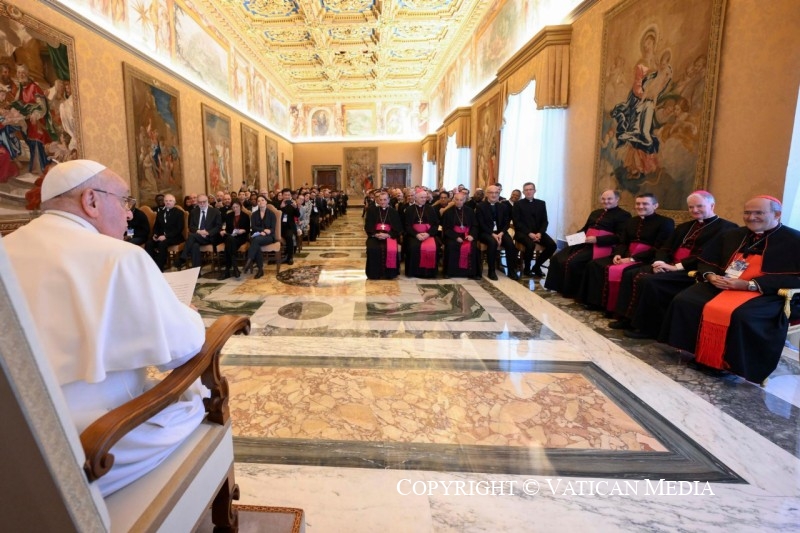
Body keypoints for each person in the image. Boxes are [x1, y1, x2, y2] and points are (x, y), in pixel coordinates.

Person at [4, 159, 206, 496]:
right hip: (90, 440)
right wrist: (187, 312)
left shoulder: (6, 247)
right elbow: (182, 350)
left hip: (14, 443)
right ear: (91, 201)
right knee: (198, 398)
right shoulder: (120, 256)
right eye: (125, 201)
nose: (130, 214)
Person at [660, 196, 800, 383]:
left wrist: (750, 284)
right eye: (747, 212)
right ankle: (698, 353)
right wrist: (710, 276)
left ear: (777, 214)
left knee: (743, 316)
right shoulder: (733, 235)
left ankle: (730, 364)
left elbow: (795, 277)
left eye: (759, 212)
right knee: (685, 300)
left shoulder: (794, 240)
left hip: (765, 292)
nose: (751, 217)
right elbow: (707, 262)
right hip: (724, 285)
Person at [609, 191, 737, 338]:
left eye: (699, 206)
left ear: (712, 205)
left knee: (649, 281)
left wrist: (675, 267)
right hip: (669, 265)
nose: (694, 210)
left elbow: (706, 257)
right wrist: (660, 262)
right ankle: (627, 317)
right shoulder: (685, 227)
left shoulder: (727, 228)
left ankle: (648, 328)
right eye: (691, 207)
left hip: (691, 270)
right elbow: (666, 247)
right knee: (630, 273)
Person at [578, 193, 674, 311]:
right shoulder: (632, 221)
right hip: (626, 254)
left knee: (625, 272)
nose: (640, 206)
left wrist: (632, 259)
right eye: (638, 204)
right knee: (594, 264)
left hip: (646, 258)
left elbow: (659, 248)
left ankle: (614, 309)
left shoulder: (665, 222)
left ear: (655, 206)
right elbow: (623, 242)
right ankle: (596, 303)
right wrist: (618, 254)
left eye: (645, 204)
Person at [544, 190, 631, 296]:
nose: (605, 201)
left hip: (603, 246)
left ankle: (571, 292)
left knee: (573, 262)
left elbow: (620, 237)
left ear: (617, 199)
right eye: (603, 199)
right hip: (585, 242)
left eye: (609, 199)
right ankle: (558, 287)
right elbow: (585, 229)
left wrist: (597, 240)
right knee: (556, 258)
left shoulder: (624, 215)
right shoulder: (595, 212)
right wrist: (575, 238)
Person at [512, 182, 557, 277]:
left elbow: (545, 221)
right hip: (522, 233)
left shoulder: (541, 203)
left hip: (538, 232)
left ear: (535, 191)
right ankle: (527, 268)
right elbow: (517, 222)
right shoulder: (518, 204)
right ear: (523, 192)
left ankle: (536, 266)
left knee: (552, 245)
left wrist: (540, 233)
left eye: (530, 189)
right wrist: (529, 233)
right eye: (526, 190)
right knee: (530, 244)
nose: (528, 192)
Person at [476, 184, 518, 280]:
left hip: (501, 232)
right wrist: (493, 234)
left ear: (499, 193)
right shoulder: (480, 206)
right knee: (492, 242)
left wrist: (501, 233)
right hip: (486, 232)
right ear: (487, 194)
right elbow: (481, 223)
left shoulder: (503, 206)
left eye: (496, 193)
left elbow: (507, 222)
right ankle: (491, 271)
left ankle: (512, 271)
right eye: (491, 192)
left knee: (510, 244)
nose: (494, 195)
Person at [175, 194, 222, 269]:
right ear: (197, 202)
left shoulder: (215, 211)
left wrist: (207, 232)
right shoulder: (194, 212)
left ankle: (183, 258)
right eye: (200, 202)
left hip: (210, 237)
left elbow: (218, 227)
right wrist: (199, 231)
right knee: (194, 246)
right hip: (197, 236)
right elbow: (191, 227)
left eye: (204, 202)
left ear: (207, 201)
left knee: (191, 236)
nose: (202, 204)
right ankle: (197, 271)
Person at [441, 191, 481, 279]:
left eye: (461, 200)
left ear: (464, 200)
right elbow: (446, 229)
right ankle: (449, 272)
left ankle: (472, 273)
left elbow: (475, 225)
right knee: (451, 245)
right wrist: (456, 237)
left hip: (467, 235)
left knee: (474, 247)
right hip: (453, 236)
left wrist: (472, 235)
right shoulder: (448, 212)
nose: (459, 202)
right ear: (453, 200)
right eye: (457, 199)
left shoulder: (470, 211)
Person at [364, 191, 403, 280]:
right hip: (375, 236)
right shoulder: (372, 211)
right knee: (372, 248)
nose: (382, 202)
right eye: (380, 200)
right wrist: (375, 234)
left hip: (389, 236)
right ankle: (374, 273)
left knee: (391, 248)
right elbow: (368, 225)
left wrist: (388, 235)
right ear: (377, 200)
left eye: (385, 200)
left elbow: (398, 228)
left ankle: (389, 274)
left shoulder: (393, 212)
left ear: (388, 200)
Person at [404, 188, 441, 278]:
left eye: (425, 197)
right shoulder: (409, 209)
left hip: (428, 234)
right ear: (416, 198)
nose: (424, 199)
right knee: (413, 246)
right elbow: (407, 226)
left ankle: (429, 273)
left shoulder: (430, 209)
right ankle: (414, 272)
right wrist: (416, 234)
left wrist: (428, 234)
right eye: (422, 197)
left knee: (433, 246)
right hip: (413, 235)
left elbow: (435, 225)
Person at [145, 193, 185, 271]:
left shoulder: (179, 213)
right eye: (166, 201)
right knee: (149, 243)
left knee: (162, 244)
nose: (168, 202)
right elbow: (156, 226)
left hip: (174, 237)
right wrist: (155, 235)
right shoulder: (160, 213)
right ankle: (151, 266)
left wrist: (166, 236)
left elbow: (179, 229)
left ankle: (159, 268)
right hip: (160, 236)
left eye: (170, 201)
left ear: (174, 202)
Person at [244, 194, 276, 279]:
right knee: (256, 242)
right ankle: (260, 270)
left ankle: (249, 260)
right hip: (258, 235)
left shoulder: (271, 214)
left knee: (255, 241)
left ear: (266, 202)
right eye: (258, 201)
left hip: (269, 236)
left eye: (262, 200)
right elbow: (253, 227)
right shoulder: (254, 214)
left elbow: (273, 228)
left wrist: (267, 231)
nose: (260, 202)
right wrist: (262, 231)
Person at [218, 198, 250, 280]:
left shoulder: (245, 216)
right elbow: (227, 228)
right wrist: (223, 231)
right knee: (230, 239)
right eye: (233, 207)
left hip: (240, 237)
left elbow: (247, 230)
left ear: (240, 206)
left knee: (229, 243)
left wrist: (243, 230)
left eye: (237, 207)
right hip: (230, 236)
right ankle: (235, 268)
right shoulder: (229, 216)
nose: (235, 209)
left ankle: (227, 270)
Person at [278, 188, 298, 265]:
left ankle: (290, 257)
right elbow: (275, 216)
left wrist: (295, 207)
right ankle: (277, 257)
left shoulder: (292, 204)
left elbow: (297, 215)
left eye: (288, 195)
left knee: (289, 237)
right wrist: (281, 208)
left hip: (290, 227)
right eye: (285, 195)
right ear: (282, 195)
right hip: (280, 227)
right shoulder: (278, 204)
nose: (287, 196)